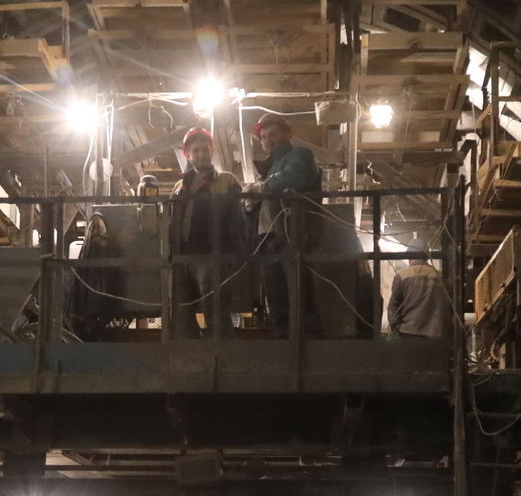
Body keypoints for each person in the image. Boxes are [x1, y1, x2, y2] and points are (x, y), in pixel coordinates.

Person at [250, 112, 360, 338]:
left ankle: (307, 346)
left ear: (287, 134)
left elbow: (296, 177)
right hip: (269, 238)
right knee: (276, 298)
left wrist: (261, 188)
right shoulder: (269, 168)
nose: (267, 140)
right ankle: (284, 345)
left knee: (298, 296)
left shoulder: (300, 156)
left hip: (292, 236)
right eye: (263, 137)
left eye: (273, 134)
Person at [171, 128, 247, 337]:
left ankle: (222, 352)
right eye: (195, 150)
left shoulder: (227, 181)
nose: (201, 154)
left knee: (215, 308)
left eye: (205, 149)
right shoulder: (180, 186)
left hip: (212, 255)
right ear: (188, 155)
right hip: (183, 255)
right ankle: (190, 352)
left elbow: (238, 219)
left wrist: (232, 254)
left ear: (212, 151)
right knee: (181, 310)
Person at [386, 259, 449, 339]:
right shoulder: (440, 276)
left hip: (408, 331)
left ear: (410, 258)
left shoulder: (402, 276)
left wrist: (396, 328)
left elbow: (393, 306)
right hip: (436, 332)